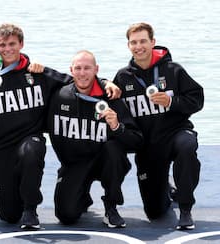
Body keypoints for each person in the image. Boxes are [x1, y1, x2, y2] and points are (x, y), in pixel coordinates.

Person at [0, 23, 79, 230]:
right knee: (9, 216)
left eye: (12, 44)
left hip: (29, 139)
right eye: (3, 45)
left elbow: (77, 83)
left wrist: (105, 83)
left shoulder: (36, 72)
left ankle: (31, 210)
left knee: (31, 151)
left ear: (21, 44)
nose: (8, 49)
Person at [107, 22, 204, 230]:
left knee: (187, 146)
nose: (138, 46)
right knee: (155, 212)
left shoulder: (173, 70)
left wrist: (171, 102)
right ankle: (165, 188)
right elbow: (105, 98)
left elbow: (197, 100)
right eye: (134, 42)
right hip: (147, 147)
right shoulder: (123, 76)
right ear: (128, 46)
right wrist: (106, 82)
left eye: (143, 41)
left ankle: (186, 209)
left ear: (153, 42)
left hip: (175, 134)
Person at [46, 50, 143, 228]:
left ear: (96, 69)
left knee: (113, 150)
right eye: (78, 68)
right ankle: (82, 196)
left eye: (87, 68)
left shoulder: (111, 97)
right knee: (66, 216)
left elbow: (136, 140)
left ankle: (111, 205)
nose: (82, 73)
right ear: (71, 70)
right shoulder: (59, 96)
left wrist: (116, 127)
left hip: (104, 160)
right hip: (74, 164)